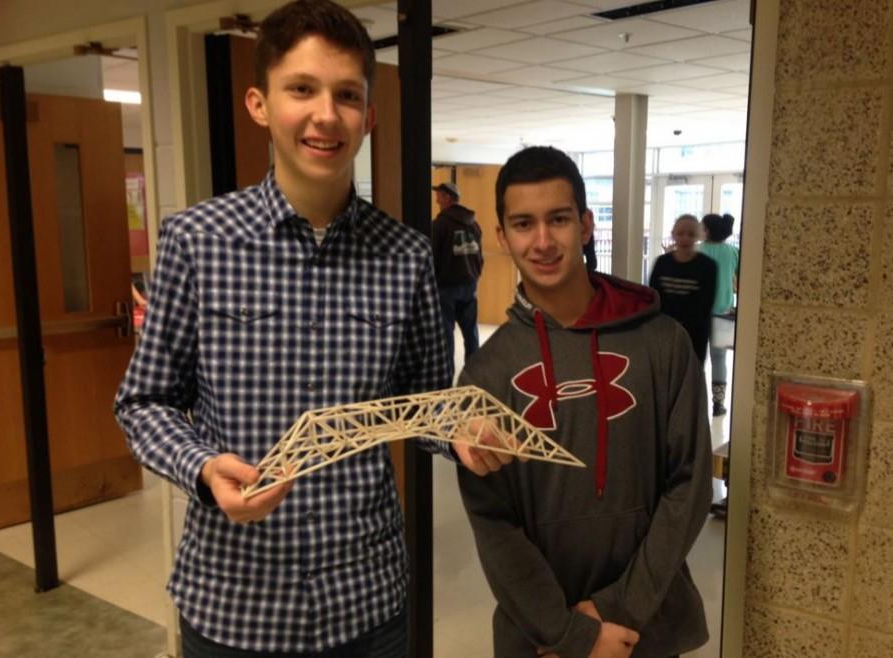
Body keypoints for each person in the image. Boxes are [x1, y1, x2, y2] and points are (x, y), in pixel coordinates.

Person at [114, 2, 510, 655]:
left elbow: (421, 403)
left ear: (369, 117)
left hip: (367, 601)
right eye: (302, 89)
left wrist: (460, 428)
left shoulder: (406, 255)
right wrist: (205, 467)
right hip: (235, 602)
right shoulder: (197, 241)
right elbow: (144, 403)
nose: (326, 115)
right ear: (260, 104)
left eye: (347, 95)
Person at [457, 146, 712, 658]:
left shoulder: (662, 344)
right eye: (524, 224)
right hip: (540, 638)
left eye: (559, 219)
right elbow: (493, 522)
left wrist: (615, 610)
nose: (544, 241)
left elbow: (690, 486)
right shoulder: (486, 373)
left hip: (644, 625)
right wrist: (566, 632)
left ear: (587, 224)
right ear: (503, 236)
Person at [648, 215, 717, 365]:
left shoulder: (707, 266)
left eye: (691, 234)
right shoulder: (662, 263)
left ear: (699, 236)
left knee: (691, 376)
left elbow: (704, 306)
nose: (685, 238)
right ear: (673, 235)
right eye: (680, 234)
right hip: (664, 332)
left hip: (694, 335)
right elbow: (653, 297)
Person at [431, 181, 483, 370]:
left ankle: (446, 377)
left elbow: (433, 257)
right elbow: (479, 255)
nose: (436, 198)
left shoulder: (440, 225)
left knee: (446, 335)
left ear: (448, 198)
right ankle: (475, 373)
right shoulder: (474, 224)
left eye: (439, 195)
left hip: (446, 287)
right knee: (471, 332)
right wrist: (475, 275)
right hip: (470, 285)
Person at [699, 213, 740, 417]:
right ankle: (718, 404)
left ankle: (696, 402)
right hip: (723, 313)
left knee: (697, 358)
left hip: (698, 314)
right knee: (719, 359)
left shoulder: (698, 250)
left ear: (706, 230)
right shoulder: (734, 252)